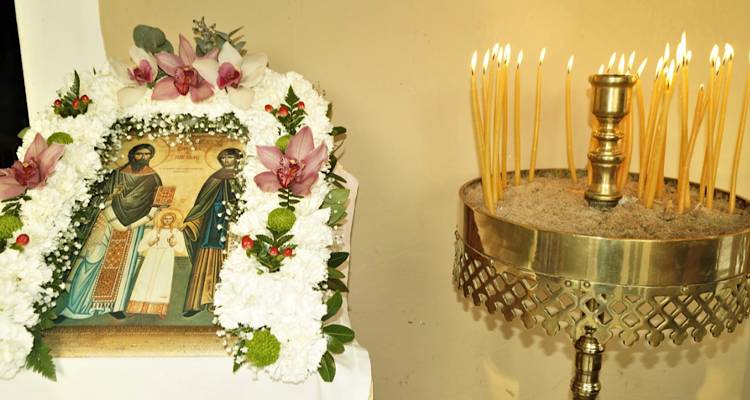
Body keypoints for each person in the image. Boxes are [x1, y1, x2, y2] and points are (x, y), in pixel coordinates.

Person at [61, 143, 162, 319]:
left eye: (147, 154)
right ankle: (74, 306)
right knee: (92, 259)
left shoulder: (153, 178)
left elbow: (157, 200)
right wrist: (110, 197)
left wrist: (157, 209)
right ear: (132, 155)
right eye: (140, 154)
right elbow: (100, 196)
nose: (143, 157)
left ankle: (113, 306)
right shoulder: (116, 174)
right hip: (108, 221)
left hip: (133, 227)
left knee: (124, 266)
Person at [182, 148, 242, 316]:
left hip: (233, 224)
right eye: (223, 157)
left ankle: (229, 304)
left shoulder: (242, 178)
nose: (226, 160)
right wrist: (191, 221)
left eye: (229, 157)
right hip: (212, 223)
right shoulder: (214, 178)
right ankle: (201, 301)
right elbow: (201, 204)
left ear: (237, 159)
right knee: (207, 256)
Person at [126, 209, 186, 318]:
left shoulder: (177, 233)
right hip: (152, 257)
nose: (167, 220)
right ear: (161, 219)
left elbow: (181, 249)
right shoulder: (154, 231)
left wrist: (172, 244)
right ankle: (136, 308)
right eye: (165, 218)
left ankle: (159, 309)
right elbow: (140, 248)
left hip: (166, 257)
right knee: (144, 280)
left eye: (170, 218)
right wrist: (151, 243)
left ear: (173, 220)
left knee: (162, 282)